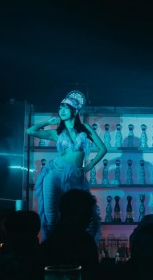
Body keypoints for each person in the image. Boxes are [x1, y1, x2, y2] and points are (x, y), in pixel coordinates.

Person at [28, 90, 107, 241]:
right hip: (55, 173)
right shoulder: (56, 133)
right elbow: (30, 131)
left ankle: (77, 247)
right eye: (60, 108)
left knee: (83, 216)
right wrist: (48, 122)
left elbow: (103, 149)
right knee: (51, 218)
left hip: (75, 175)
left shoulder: (85, 129)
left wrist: (89, 167)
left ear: (75, 111)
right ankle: (52, 250)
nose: (62, 111)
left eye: (66, 108)